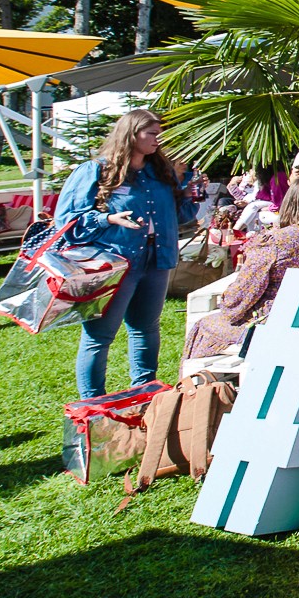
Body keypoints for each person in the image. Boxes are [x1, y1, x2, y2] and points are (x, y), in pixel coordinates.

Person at [53, 108, 196, 400]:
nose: (159, 139)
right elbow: (67, 221)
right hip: (116, 262)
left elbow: (182, 216)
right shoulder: (97, 170)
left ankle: (146, 393)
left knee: (146, 328)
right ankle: (93, 404)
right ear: (132, 134)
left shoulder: (161, 172)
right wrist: (107, 219)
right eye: (152, 133)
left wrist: (190, 190)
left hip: (157, 260)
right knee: (99, 335)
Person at [185, 176, 299, 359]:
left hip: (270, 321)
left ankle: (200, 386)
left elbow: (243, 293)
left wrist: (226, 303)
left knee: (203, 326)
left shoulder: (275, 243)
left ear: (289, 201)